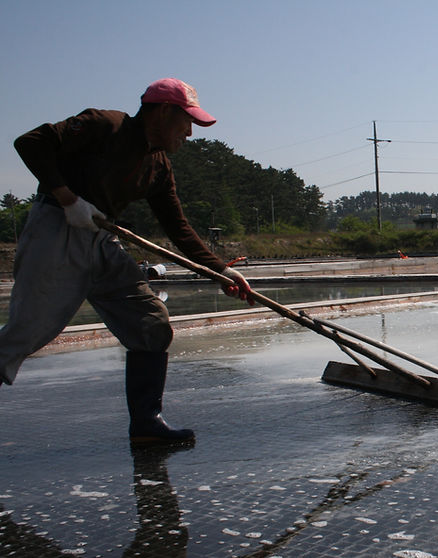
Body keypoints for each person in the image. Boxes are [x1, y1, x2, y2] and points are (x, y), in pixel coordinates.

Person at [2, 78, 253, 444]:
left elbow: (178, 228)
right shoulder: (106, 125)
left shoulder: (158, 167)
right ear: (165, 112)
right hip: (57, 226)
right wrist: (67, 198)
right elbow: (30, 142)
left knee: (150, 322)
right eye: (188, 124)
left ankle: (147, 425)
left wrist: (221, 270)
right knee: (28, 331)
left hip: (102, 237)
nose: (190, 134)